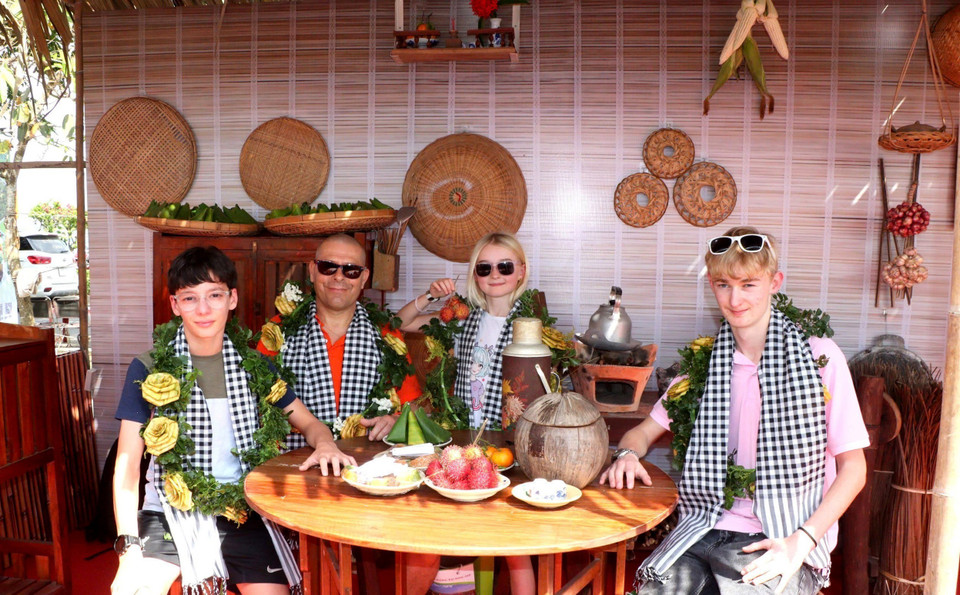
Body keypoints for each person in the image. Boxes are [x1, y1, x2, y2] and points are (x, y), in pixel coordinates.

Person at [599, 227, 869, 595]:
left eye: (748, 284)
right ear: (711, 285)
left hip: (780, 536)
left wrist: (801, 541)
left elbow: (854, 468)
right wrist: (628, 454)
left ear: (775, 282)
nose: (735, 298)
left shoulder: (818, 357)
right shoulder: (704, 365)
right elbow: (642, 433)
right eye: (723, 284)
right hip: (701, 527)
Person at [112, 246, 356, 595]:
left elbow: (310, 424)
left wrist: (327, 443)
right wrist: (128, 547)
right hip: (169, 511)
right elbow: (127, 466)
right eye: (190, 298)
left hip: (243, 511)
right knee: (131, 590)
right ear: (175, 305)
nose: (204, 309)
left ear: (232, 299)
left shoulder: (255, 365)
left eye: (214, 295)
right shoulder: (149, 367)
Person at [397, 231, 536, 595]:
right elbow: (401, 323)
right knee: (454, 523)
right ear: (474, 274)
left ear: (520, 271)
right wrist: (430, 295)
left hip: (511, 445)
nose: (494, 274)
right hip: (464, 442)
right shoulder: (462, 321)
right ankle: (459, 580)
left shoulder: (534, 326)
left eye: (504, 266)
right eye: (483, 267)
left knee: (516, 543)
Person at [256, 234, 420, 444]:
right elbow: (258, 404)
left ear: (364, 278)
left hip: (367, 465)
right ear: (313, 271)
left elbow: (414, 405)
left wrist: (395, 420)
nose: (339, 277)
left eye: (351, 270)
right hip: (294, 461)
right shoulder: (277, 332)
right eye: (328, 267)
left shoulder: (386, 335)